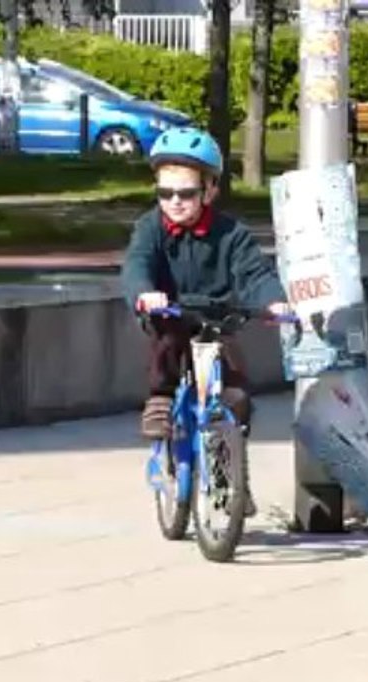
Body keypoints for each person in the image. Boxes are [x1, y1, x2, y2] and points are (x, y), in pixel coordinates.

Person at [120, 126, 291, 445]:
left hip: (216, 317)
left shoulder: (231, 234)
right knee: (168, 345)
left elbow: (254, 274)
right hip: (169, 312)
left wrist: (273, 302)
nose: (175, 202)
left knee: (236, 389)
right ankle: (160, 400)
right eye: (165, 193)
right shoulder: (150, 228)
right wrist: (144, 293)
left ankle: (234, 472)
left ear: (210, 190)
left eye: (186, 194)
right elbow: (137, 263)